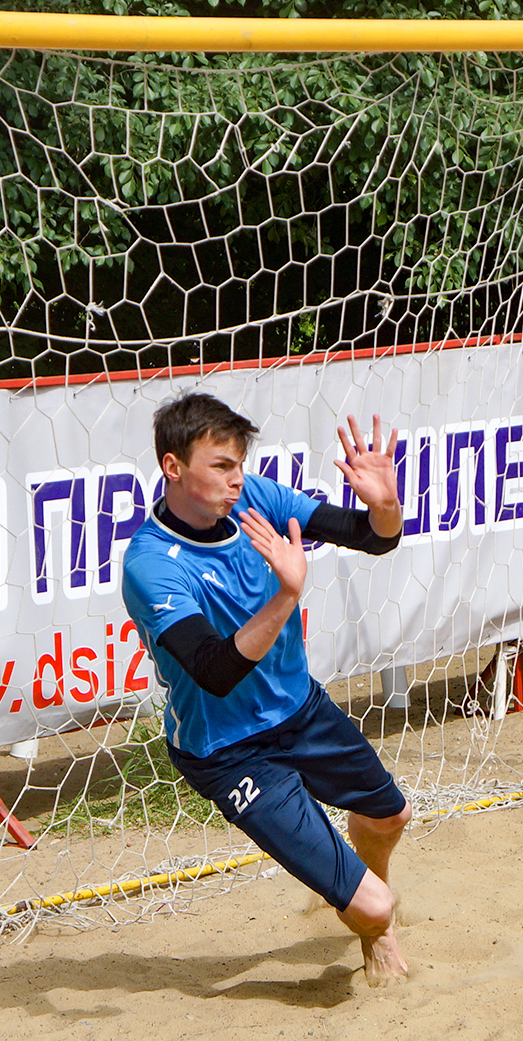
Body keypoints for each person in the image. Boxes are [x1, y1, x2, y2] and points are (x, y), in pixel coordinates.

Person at [120, 392, 412, 986]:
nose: (237, 480)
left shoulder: (257, 499)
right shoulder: (150, 564)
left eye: (240, 465)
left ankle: (361, 893)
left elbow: (373, 537)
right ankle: (372, 923)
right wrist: (287, 594)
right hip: (227, 750)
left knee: (390, 817)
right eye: (221, 466)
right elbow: (214, 670)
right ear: (174, 468)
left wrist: (385, 507)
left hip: (300, 710)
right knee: (378, 912)